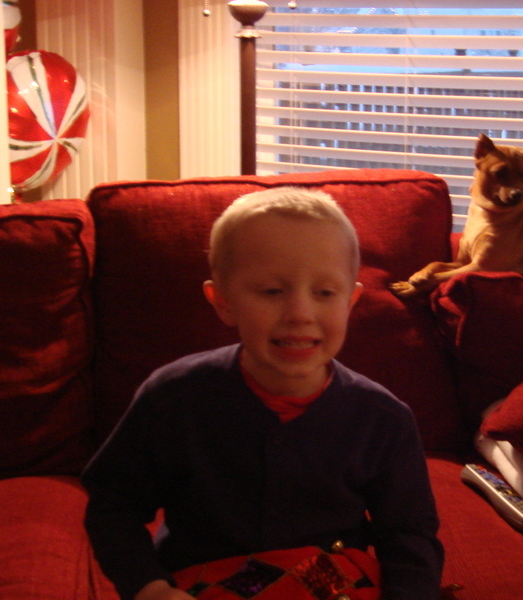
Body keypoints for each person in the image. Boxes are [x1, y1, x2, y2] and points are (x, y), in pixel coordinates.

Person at [82, 187, 444, 600]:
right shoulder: (172, 398)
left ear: (350, 302)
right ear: (222, 302)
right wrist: (148, 588)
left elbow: (410, 536)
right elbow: (114, 504)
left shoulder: (384, 419)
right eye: (272, 291)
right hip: (196, 582)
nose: (300, 314)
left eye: (325, 293)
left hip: (329, 584)